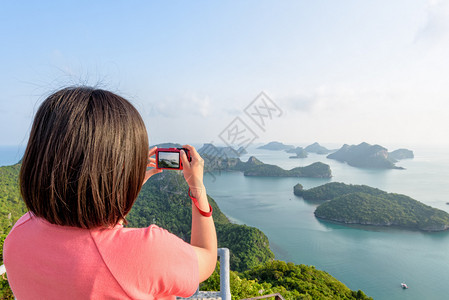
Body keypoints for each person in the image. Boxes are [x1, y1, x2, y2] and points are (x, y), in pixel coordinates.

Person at [3, 87, 217, 299]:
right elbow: (206, 259)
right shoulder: (148, 252)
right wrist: (197, 186)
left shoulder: (18, 235)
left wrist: (125, 185)